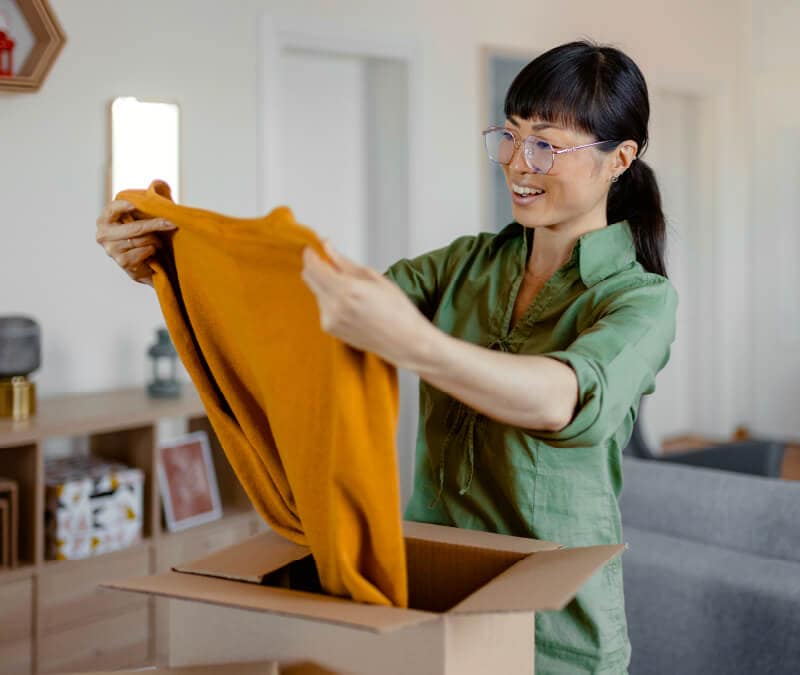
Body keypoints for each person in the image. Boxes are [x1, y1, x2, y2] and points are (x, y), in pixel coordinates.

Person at [97, 39, 677, 675]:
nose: (517, 163)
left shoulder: (641, 300)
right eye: (507, 137)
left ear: (620, 159)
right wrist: (176, 261)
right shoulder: (468, 263)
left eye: (546, 144)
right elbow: (321, 303)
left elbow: (562, 399)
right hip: (432, 592)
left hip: (557, 631)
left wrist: (414, 343)